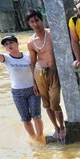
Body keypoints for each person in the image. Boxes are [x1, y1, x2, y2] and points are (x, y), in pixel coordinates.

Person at [0, 32, 43, 141]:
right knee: (25, 119)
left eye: (11, 42)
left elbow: (36, 70)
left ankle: (40, 138)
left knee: (36, 116)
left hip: (33, 89)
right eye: (6, 44)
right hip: (18, 93)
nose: (9, 45)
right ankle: (34, 139)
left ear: (17, 43)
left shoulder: (27, 57)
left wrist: (37, 84)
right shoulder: (6, 59)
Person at [25, 9, 66, 141]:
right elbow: (32, 62)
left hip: (54, 71)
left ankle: (62, 127)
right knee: (47, 104)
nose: (35, 24)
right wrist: (34, 82)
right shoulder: (31, 42)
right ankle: (56, 128)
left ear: (42, 20)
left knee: (55, 103)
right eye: (32, 22)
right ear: (29, 24)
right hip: (39, 73)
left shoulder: (52, 34)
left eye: (37, 20)